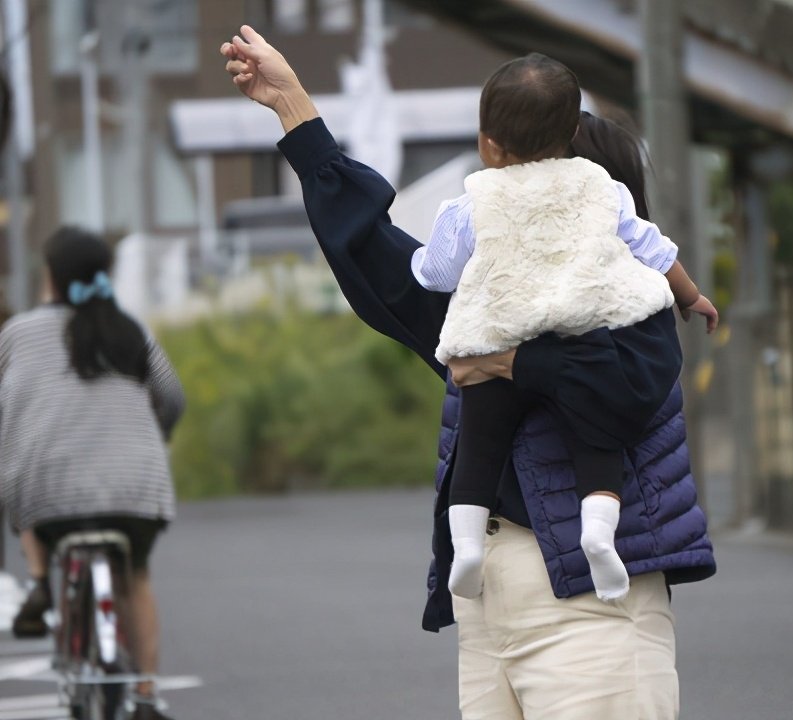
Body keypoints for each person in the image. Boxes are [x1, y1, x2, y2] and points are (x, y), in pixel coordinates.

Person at [223, 25, 715, 719]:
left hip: (594, 611)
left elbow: (622, 391)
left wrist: (511, 360)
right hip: (490, 609)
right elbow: (378, 257)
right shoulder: (484, 300)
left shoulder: (634, 298)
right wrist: (293, 109)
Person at [413, 53, 718, 602]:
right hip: (584, 335)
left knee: (481, 441)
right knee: (595, 436)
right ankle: (598, 535)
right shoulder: (603, 189)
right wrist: (692, 296)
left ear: (488, 143)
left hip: (500, 339)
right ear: (574, 130)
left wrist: (426, 261)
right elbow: (652, 248)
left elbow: (437, 272)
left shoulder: (473, 201)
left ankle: (468, 548)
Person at [0, 228, 184, 720]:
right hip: (136, 488)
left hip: (47, 495)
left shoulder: (18, 333)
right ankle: (145, 696)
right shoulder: (131, 330)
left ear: (52, 278)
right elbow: (172, 399)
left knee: (22, 472)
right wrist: (154, 437)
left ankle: (40, 579)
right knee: (136, 579)